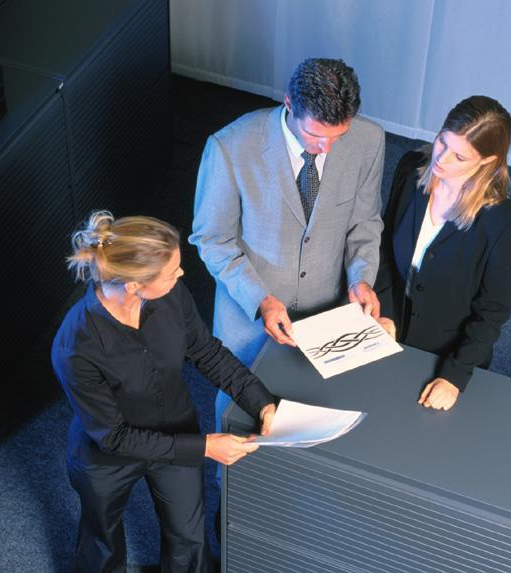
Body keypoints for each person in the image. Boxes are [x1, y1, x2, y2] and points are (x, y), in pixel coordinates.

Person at [51, 211, 276, 573]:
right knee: (102, 544)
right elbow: (114, 437)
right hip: (108, 453)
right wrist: (204, 447)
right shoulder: (75, 345)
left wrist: (259, 400)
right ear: (134, 286)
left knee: (190, 538)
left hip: (176, 428)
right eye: (172, 272)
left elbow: (205, 351)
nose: (181, 275)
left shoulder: (171, 296)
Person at [188, 58, 385, 432]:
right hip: (249, 316)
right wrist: (260, 300)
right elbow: (212, 239)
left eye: (337, 136)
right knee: (239, 415)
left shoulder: (369, 140)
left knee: (315, 412)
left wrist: (361, 279)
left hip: (324, 309)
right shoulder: (230, 147)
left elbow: (364, 222)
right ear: (289, 105)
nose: (326, 148)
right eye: (316, 136)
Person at [375, 96, 511, 412]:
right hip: (390, 328)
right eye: (442, 141)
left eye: (459, 156)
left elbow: (493, 310)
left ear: (487, 160)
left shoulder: (501, 222)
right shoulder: (411, 168)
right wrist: (385, 310)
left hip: (446, 354)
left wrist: (454, 376)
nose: (441, 159)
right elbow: (385, 244)